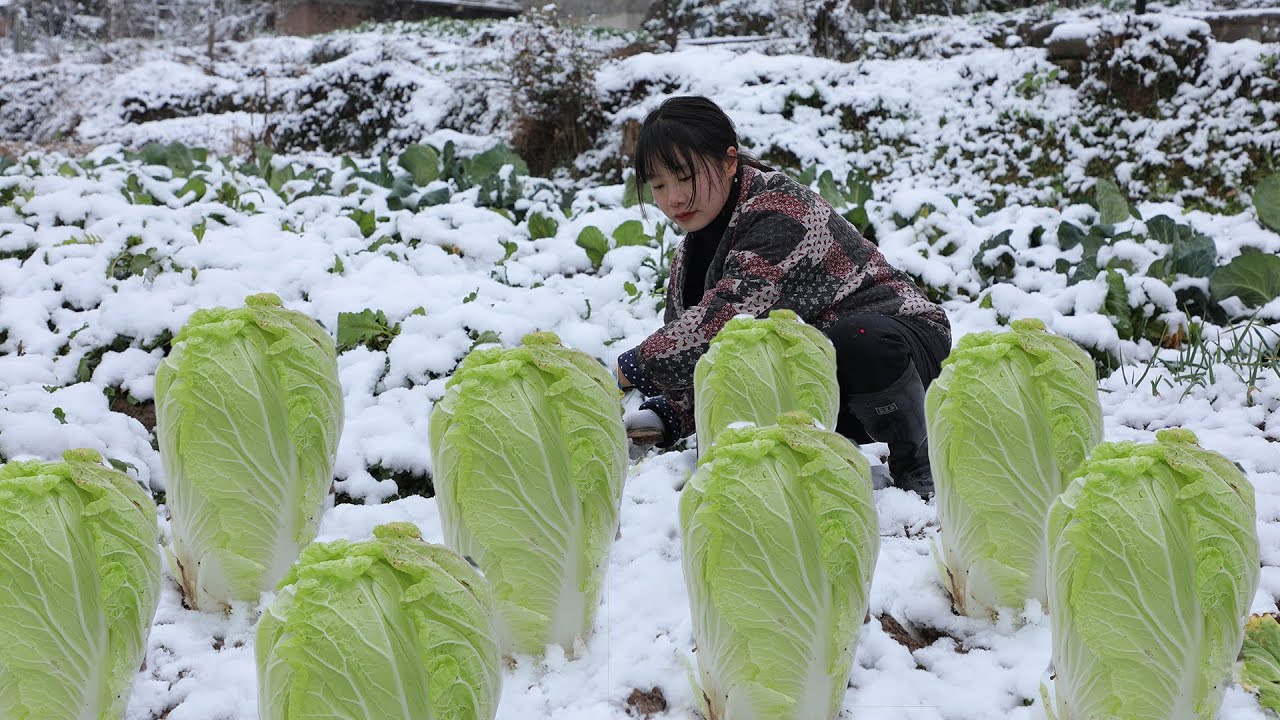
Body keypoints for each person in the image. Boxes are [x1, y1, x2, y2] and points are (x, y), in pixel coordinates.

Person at [613, 96, 951, 497]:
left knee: (858, 340)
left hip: (902, 350)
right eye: (659, 185)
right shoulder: (688, 261)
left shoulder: (780, 209)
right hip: (823, 373)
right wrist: (666, 414)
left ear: (729, 161)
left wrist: (628, 370)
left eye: (685, 178)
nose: (674, 199)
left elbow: (728, 317)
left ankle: (918, 458)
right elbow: (708, 358)